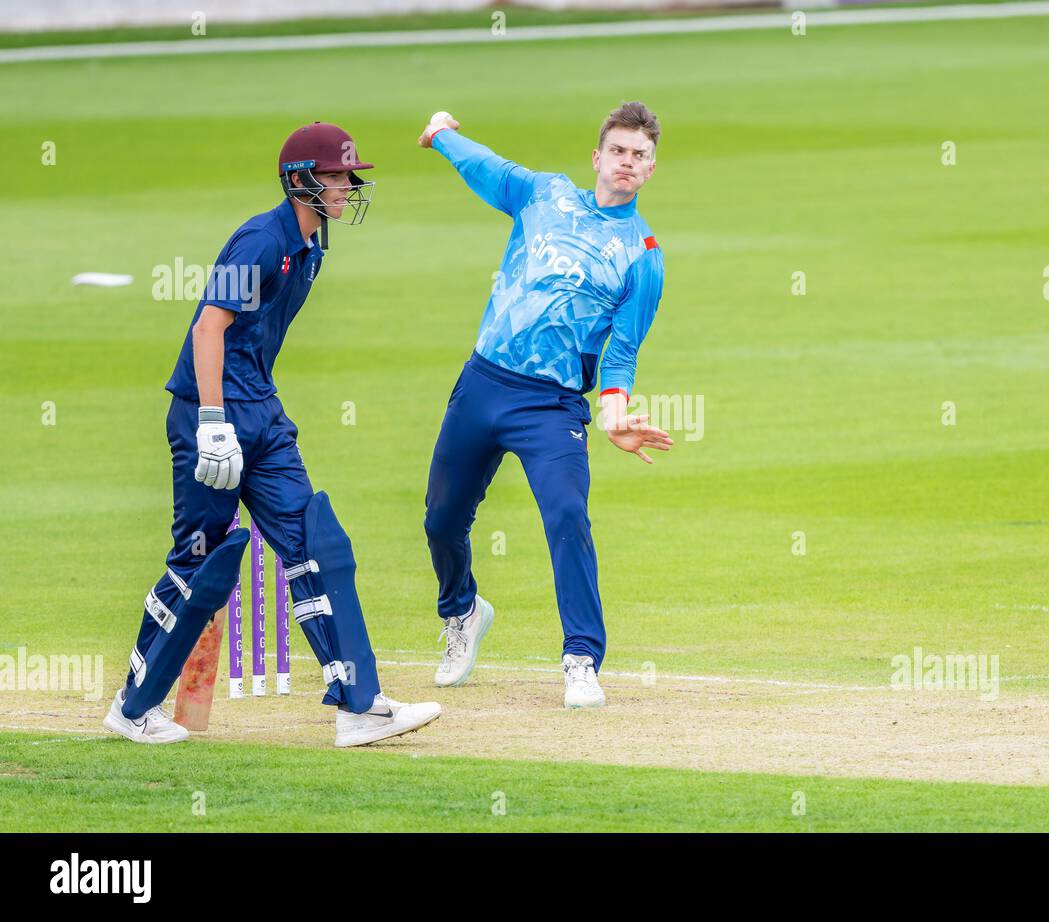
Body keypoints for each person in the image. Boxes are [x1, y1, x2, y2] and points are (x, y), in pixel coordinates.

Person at [104, 121, 440, 746]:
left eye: (350, 175)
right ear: (299, 181)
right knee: (200, 563)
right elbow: (209, 328)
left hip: (261, 411)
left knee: (318, 544)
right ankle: (133, 707)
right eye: (337, 175)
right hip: (211, 414)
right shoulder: (262, 241)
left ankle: (358, 706)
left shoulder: (313, 246)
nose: (348, 185)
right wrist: (211, 425)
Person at [418, 102, 673, 708]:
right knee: (441, 520)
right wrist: (444, 136)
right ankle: (461, 613)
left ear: (651, 169)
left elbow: (621, 352)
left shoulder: (643, 255)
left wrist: (613, 415)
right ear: (598, 157)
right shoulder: (546, 195)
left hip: (552, 406)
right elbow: (492, 171)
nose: (627, 162)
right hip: (483, 382)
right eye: (618, 151)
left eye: (640, 156)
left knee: (566, 517)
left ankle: (581, 659)